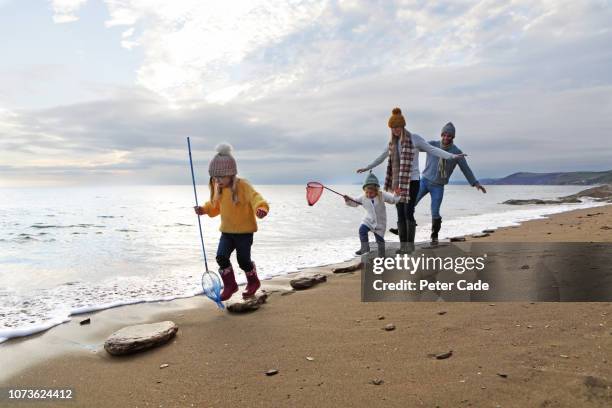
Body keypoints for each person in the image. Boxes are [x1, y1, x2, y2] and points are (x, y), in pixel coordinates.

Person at [356, 108, 465, 252]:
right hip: (397, 183)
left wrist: (451, 156)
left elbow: (432, 149)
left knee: (408, 212)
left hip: (413, 181)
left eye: (397, 127)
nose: (395, 130)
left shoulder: (415, 139)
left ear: (402, 126)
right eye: (392, 128)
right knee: (400, 212)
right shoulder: (392, 143)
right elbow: (381, 157)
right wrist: (367, 167)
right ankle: (403, 247)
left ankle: (409, 246)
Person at [194, 143, 269, 300]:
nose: (218, 180)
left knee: (243, 261)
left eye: (221, 177)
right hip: (227, 232)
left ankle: (253, 282)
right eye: (215, 177)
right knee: (221, 257)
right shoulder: (218, 188)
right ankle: (230, 285)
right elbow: (214, 207)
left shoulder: (243, 186)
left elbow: (256, 198)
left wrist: (261, 208)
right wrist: (203, 209)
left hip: (244, 233)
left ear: (231, 174)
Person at [413, 122, 486, 244]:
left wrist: (475, 183)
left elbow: (465, 169)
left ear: (453, 137)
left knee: (435, 211)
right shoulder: (433, 145)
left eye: (450, 136)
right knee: (411, 203)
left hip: (438, 186)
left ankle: (434, 237)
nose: (447, 138)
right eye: (445, 135)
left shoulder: (456, 152)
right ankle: (405, 229)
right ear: (441, 134)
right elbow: (417, 146)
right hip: (424, 181)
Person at [344, 172, 399, 257]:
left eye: (371, 193)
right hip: (368, 220)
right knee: (362, 230)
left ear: (376, 190)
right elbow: (355, 202)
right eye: (367, 193)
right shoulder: (363, 197)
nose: (369, 195)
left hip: (380, 222)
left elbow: (392, 200)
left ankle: (382, 256)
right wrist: (348, 199)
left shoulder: (382, 195)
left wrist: (397, 194)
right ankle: (365, 248)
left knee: (380, 241)